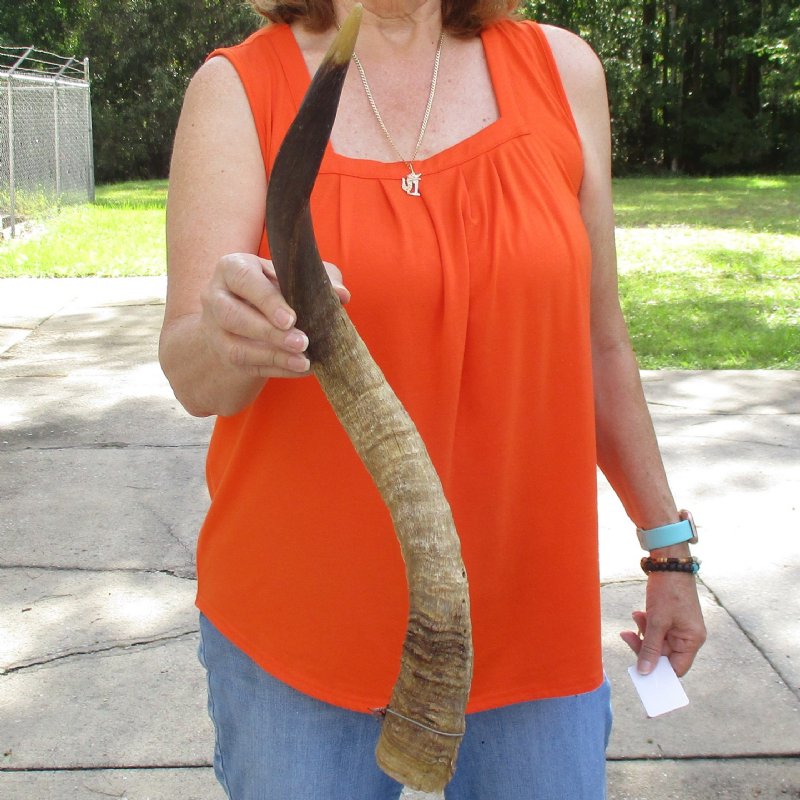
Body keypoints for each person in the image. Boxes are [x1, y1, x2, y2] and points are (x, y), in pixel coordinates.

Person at [159, 1, 707, 797]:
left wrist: (669, 550)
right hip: (301, 630)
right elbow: (191, 374)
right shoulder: (239, 87)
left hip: (529, 617)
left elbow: (600, 344)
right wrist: (229, 336)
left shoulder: (562, 72)